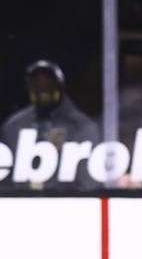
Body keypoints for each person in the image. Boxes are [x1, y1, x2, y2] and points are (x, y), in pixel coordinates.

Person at [2, 60, 101, 188]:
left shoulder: (82, 126)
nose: (43, 89)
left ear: (60, 86)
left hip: (68, 201)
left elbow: (89, 181)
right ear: (29, 87)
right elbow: (6, 174)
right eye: (37, 85)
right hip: (22, 201)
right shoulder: (14, 125)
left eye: (48, 84)